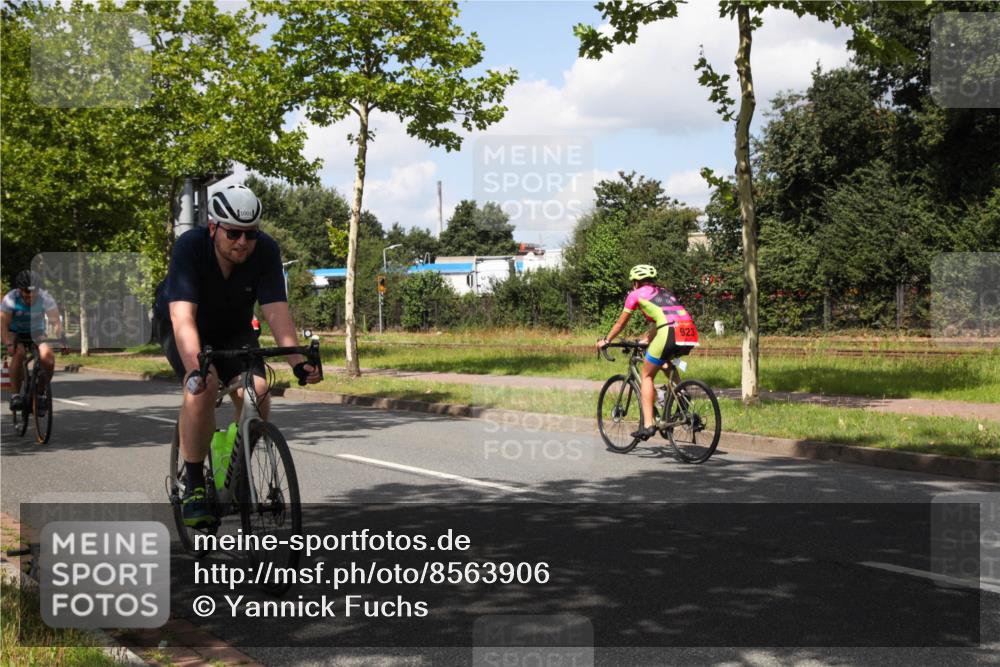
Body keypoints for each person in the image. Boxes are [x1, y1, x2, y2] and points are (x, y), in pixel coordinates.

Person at [154, 184, 321, 528]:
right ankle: (196, 484)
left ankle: (239, 465)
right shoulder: (189, 248)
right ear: (214, 227)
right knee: (202, 387)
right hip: (184, 325)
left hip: (233, 328)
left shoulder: (266, 252)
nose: (242, 242)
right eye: (233, 233)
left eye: (250, 234)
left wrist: (297, 362)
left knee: (258, 389)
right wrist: (196, 371)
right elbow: (182, 318)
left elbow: (276, 311)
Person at [596, 264, 699, 440]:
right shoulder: (664, 292)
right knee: (664, 363)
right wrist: (646, 340)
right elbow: (660, 321)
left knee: (646, 376)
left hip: (669, 332)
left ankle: (648, 425)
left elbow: (621, 324)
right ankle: (682, 395)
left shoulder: (635, 295)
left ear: (635, 283)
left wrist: (606, 341)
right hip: (689, 331)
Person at [1, 270, 67, 412]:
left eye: (33, 292)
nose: (30, 296)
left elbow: (55, 322)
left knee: (48, 357)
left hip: (36, 332)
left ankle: (40, 393)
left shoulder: (45, 298)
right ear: (19, 290)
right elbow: (3, 325)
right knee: (19, 353)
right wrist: (8, 343)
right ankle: (15, 395)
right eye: (26, 292)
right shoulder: (10, 299)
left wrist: (62, 339)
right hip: (15, 332)